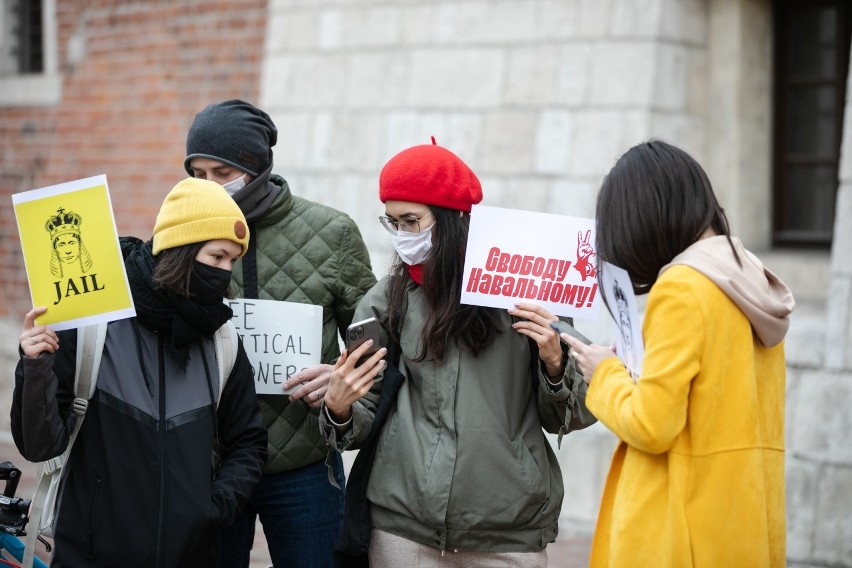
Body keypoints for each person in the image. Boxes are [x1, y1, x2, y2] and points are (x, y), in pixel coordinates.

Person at [321, 139, 597, 567]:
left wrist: (554, 362)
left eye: (412, 221)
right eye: (392, 222)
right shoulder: (387, 301)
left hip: (508, 528)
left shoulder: (524, 294)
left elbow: (572, 413)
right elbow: (363, 418)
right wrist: (338, 408)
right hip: (404, 527)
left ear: (453, 220)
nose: (402, 236)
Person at [11, 178, 268, 567]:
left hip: (191, 556)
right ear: (179, 250)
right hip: (91, 555)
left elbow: (248, 442)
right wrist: (35, 368)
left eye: (232, 261)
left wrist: (211, 508)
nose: (224, 272)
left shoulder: (222, 339)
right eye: (216, 257)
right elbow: (40, 446)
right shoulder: (94, 323)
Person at [562, 140, 794, 567]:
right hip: (737, 526)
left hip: (677, 533)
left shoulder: (682, 287)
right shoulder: (744, 277)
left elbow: (653, 426)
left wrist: (607, 373)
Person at [183, 99, 377, 568]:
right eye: (197, 174)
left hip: (305, 462)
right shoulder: (183, 229)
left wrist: (337, 379)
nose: (208, 187)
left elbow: (373, 343)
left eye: (221, 172)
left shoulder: (331, 232)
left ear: (256, 166)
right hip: (212, 462)